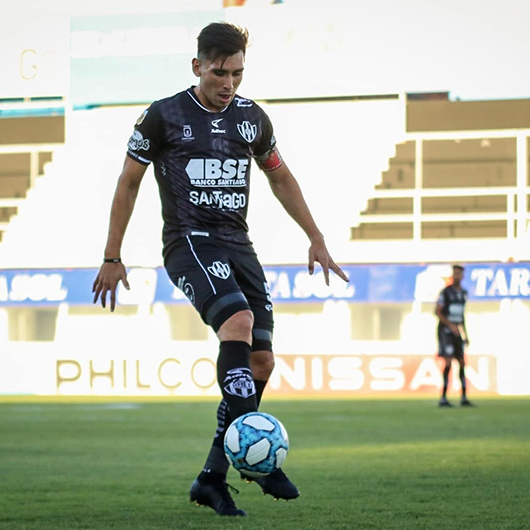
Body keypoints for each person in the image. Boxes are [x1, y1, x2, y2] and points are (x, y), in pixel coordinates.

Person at [92, 22, 349, 517]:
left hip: (238, 245)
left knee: (261, 362)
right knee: (238, 322)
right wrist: (112, 255)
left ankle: (211, 478)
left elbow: (281, 177)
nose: (228, 83)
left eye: (237, 73)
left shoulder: (252, 118)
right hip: (188, 241)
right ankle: (257, 458)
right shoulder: (163, 116)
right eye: (219, 73)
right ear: (197, 66)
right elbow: (128, 182)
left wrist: (315, 236)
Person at [435, 264, 473, 407]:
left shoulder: (463, 293)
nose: (457, 276)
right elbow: (437, 311)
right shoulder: (446, 292)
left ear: (462, 276)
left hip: (457, 332)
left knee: (462, 362)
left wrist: (465, 334)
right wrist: (450, 325)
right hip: (445, 332)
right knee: (448, 362)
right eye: (455, 273)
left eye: (459, 274)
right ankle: (444, 398)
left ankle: (463, 397)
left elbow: (461, 316)